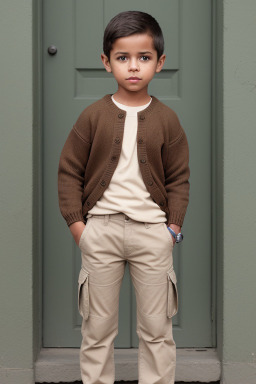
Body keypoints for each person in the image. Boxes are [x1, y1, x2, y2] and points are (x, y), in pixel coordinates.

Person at [58, 10, 190, 384]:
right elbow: (69, 172)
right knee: (97, 331)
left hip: (153, 234)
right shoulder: (92, 116)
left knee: (157, 331)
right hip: (101, 232)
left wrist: (172, 230)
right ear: (106, 62)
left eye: (144, 58)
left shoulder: (168, 120)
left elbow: (180, 178)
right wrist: (80, 230)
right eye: (123, 58)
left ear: (159, 63)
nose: (134, 67)